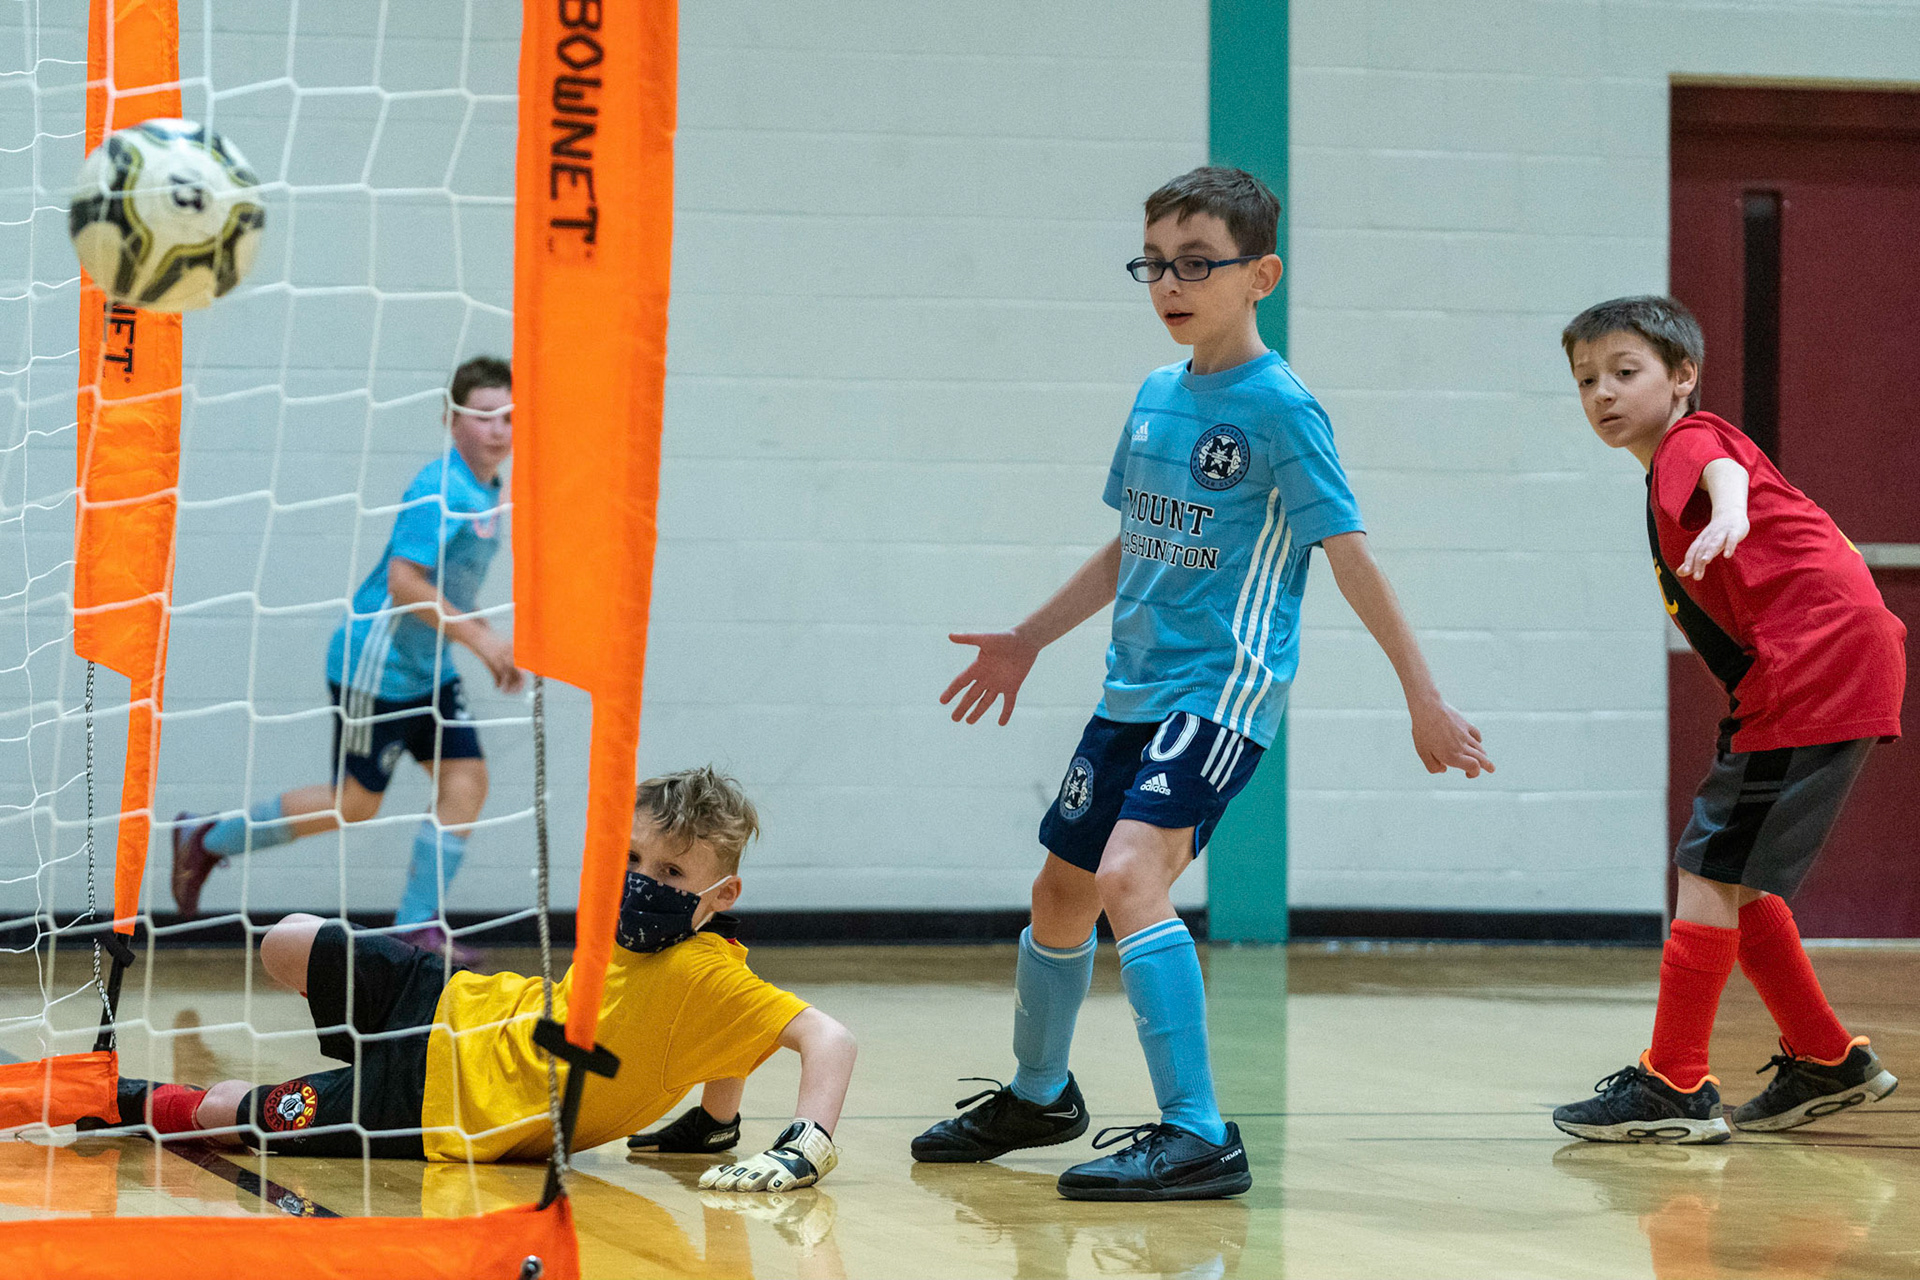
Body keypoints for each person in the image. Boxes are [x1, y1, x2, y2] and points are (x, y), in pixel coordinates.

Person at [910, 166, 1494, 1201]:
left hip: (1222, 690)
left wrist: (1424, 695)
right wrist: (1029, 638)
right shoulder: (1153, 394)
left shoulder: (1281, 406)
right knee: (1061, 888)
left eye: (1195, 264)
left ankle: (1200, 1132)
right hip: (1129, 686)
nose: (1170, 284)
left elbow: (1351, 553)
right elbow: (1131, 541)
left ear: (1259, 272)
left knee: (1134, 874)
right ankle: (1040, 1091)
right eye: (1155, 264)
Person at [105, 768, 856, 1191]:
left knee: (235, 1113)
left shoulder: (705, 972)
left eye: (669, 873)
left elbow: (828, 1037)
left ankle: (114, 1100)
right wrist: (713, 1124)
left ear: (721, 895)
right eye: (631, 860)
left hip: (438, 1105)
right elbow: (715, 1042)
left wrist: (804, 1144)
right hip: (453, 999)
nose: (641, 882)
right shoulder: (690, 949)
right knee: (288, 939)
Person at [1551, 295, 1904, 1143]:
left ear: (1682, 379)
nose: (1603, 393)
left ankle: (1673, 1083)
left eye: (1625, 373)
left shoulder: (1690, 443)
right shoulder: (1669, 462)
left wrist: (1735, 509)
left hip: (1813, 666)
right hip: (1816, 667)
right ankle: (1826, 1058)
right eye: (1586, 379)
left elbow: (1722, 475)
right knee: (1733, 875)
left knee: (1709, 866)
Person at [171, 356, 523, 962]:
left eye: (510, 417)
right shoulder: (440, 487)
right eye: (484, 416)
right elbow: (405, 581)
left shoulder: (488, 491)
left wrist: (481, 632)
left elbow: (449, 586)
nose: (499, 429)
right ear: (451, 421)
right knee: (354, 804)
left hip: (429, 667)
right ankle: (207, 836)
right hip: (376, 665)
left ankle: (417, 925)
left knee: (466, 782)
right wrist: (483, 641)